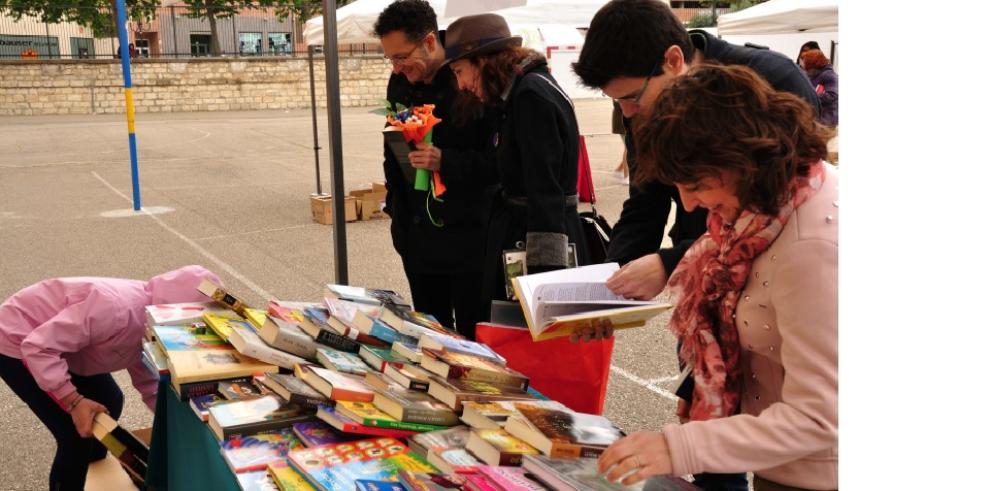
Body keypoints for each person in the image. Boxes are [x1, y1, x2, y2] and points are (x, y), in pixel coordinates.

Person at [589, 64, 837, 491]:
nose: (687, 205)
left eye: (696, 183)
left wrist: (677, 447)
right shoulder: (762, 210)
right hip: (783, 461)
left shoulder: (810, 248)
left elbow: (821, 415)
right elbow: (712, 296)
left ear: (740, 159)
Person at [572, 0, 820, 303]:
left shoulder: (772, 79)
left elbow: (791, 209)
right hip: (700, 286)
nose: (627, 111)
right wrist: (609, 289)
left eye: (632, 96)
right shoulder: (641, 110)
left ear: (673, 60)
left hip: (775, 284)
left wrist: (672, 260)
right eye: (615, 101)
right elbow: (645, 201)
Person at [0, 265, 222, 490]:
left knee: (110, 400)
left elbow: (151, 384)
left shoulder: (151, 324)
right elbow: (37, 348)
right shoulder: (114, 310)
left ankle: (95, 465)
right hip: (17, 341)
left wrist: (183, 422)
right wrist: (73, 401)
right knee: (74, 433)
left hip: (61, 345)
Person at [443, 13, 589, 317]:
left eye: (460, 72)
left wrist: (544, 283)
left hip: (536, 241)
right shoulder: (523, 92)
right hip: (524, 231)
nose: (460, 85)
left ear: (482, 60)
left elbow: (545, 191)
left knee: (526, 341)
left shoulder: (531, 96)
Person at [373, 0, 497, 339]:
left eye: (401, 57)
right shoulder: (399, 83)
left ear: (429, 42)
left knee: (473, 339)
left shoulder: (469, 76)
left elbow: (500, 163)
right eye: (390, 59)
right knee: (431, 337)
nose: (397, 68)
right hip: (417, 237)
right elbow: (394, 146)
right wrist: (396, 206)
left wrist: (447, 161)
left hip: (470, 237)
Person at [800, 48, 838, 127]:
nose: (805, 70)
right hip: (818, 118)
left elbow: (832, 95)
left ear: (814, 65)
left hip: (827, 120)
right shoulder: (815, 74)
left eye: (807, 67)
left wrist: (811, 97)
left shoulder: (829, 75)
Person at [611, 101, 630, 184]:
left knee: (630, 147)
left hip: (622, 121)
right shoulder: (620, 91)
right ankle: (627, 176)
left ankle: (619, 170)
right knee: (628, 148)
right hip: (622, 123)